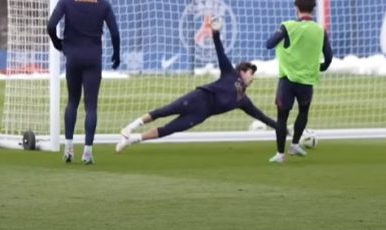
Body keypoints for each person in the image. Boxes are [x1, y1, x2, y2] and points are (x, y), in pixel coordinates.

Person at [116, 17, 276, 152]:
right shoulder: (230, 73)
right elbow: (220, 50)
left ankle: (133, 140)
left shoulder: (243, 100)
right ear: (242, 71)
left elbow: (261, 117)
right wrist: (215, 32)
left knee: (170, 129)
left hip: (201, 115)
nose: (253, 76)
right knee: (164, 111)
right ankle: (130, 128)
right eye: (251, 72)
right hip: (198, 98)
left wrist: (282, 128)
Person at [47, 0, 120, 165]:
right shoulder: (103, 4)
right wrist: (117, 54)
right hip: (93, 58)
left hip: (73, 57)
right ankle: (87, 151)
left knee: (72, 101)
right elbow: (114, 32)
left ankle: (69, 148)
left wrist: (58, 43)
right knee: (91, 106)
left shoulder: (66, 2)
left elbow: (51, 25)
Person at [265, 0, 333, 163]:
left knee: (282, 116)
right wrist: (319, 67)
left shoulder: (288, 26)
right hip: (307, 81)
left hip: (287, 79)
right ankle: (295, 144)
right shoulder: (320, 30)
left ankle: (280, 154)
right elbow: (329, 57)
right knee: (303, 112)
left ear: (297, 8)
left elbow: (269, 44)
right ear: (314, 9)